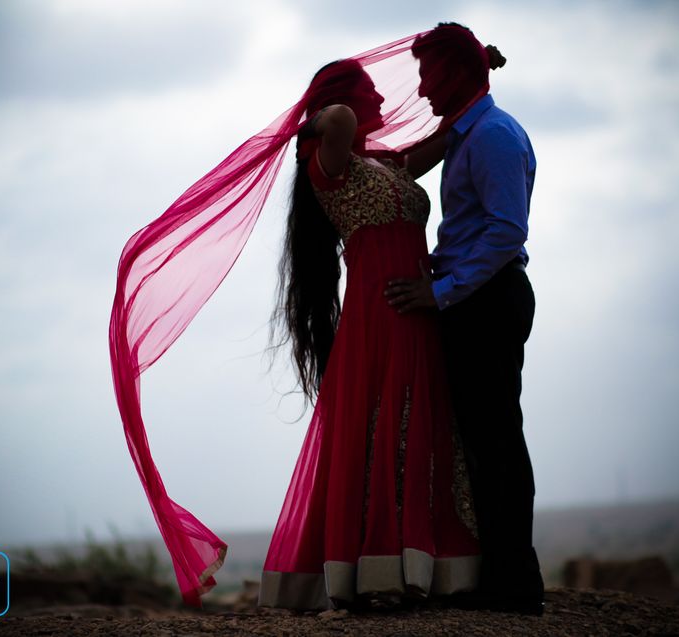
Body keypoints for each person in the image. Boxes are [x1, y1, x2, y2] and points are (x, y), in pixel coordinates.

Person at [257, 59, 481, 611]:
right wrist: (321, 111)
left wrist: (475, 78)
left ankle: (427, 571)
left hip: (421, 313)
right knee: (384, 428)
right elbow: (333, 121)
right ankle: (377, 575)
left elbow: (447, 137)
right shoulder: (327, 162)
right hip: (378, 318)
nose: (383, 102)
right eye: (370, 92)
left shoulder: (385, 163)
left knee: (419, 428)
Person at [384, 22, 544, 615]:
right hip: (471, 301)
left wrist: (441, 290)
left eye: (428, 72)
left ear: (453, 72)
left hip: (487, 302)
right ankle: (498, 576)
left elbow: (506, 231)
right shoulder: (465, 132)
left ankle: (516, 585)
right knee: (480, 440)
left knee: (496, 439)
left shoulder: (495, 135)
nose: (421, 89)